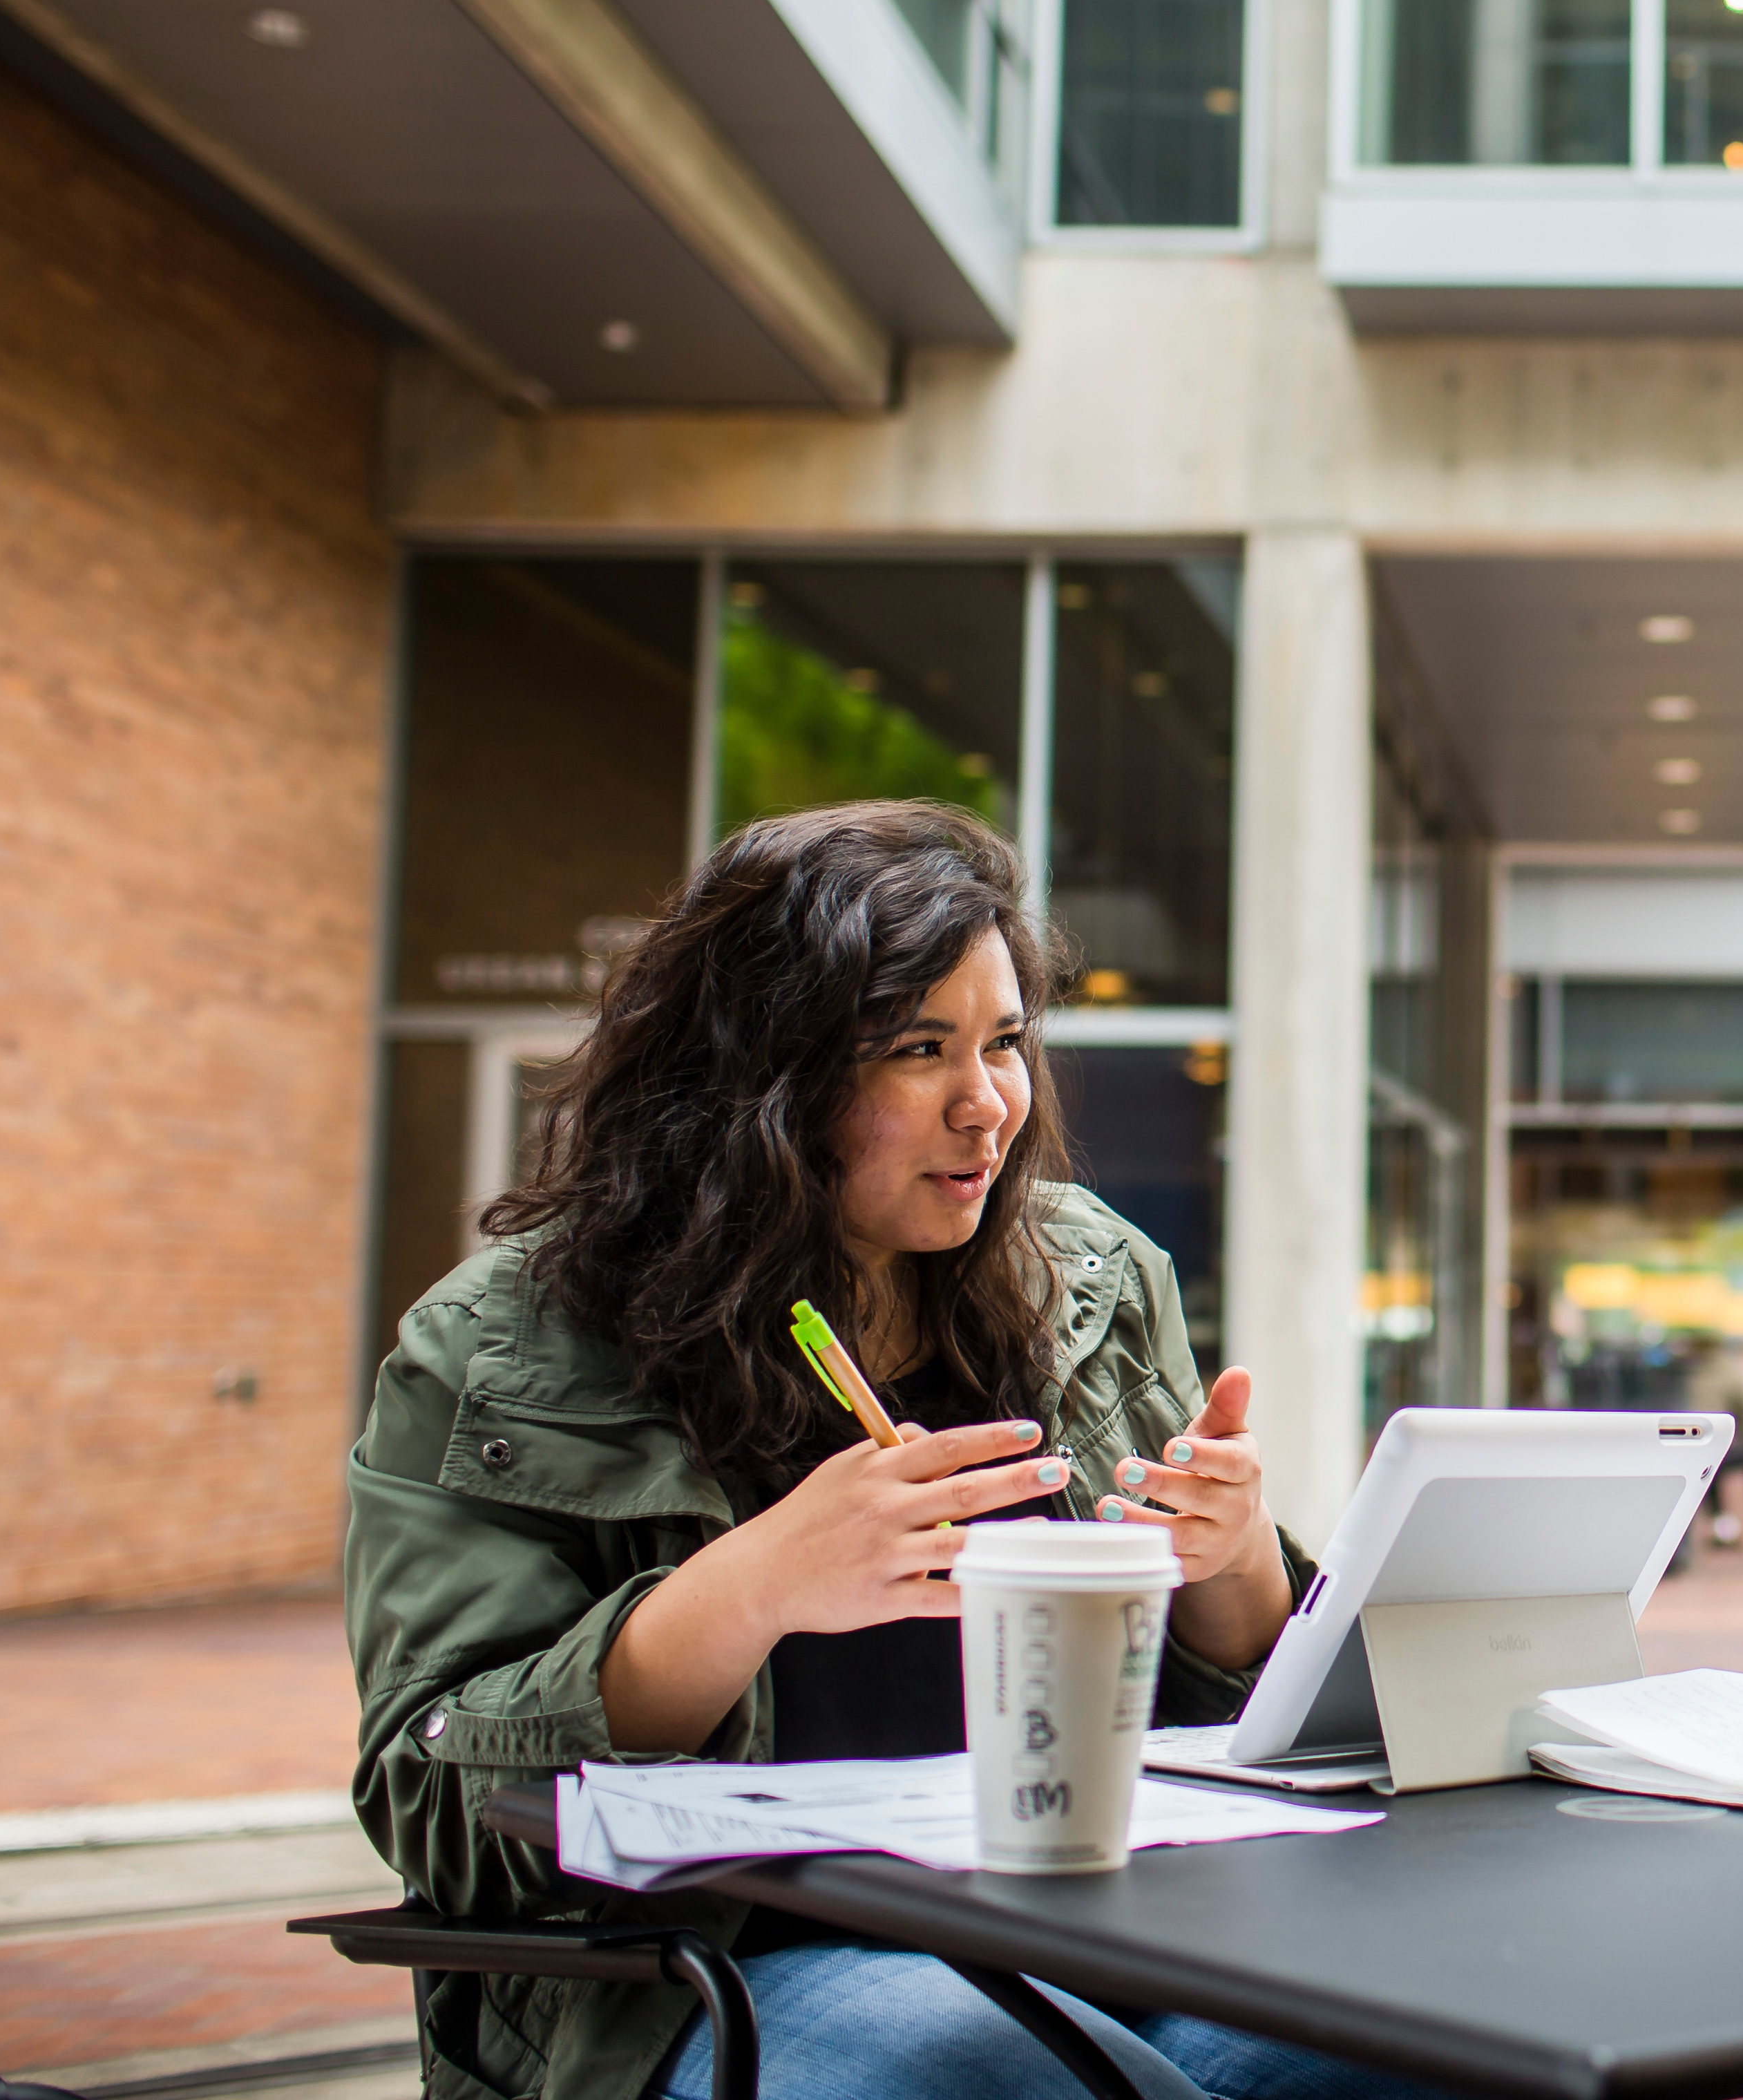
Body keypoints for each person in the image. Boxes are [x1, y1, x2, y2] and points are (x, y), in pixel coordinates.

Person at [346, 802, 1445, 2100]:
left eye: (1005, 1044)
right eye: (920, 1050)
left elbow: (1219, 1728)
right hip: (728, 1964)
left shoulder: (1089, 1276)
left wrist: (1236, 1571)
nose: (987, 1107)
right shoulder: (502, 1346)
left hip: (1100, 1922)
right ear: (763, 1077)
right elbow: (431, 1804)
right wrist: (755, 1587)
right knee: (993, 2070)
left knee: (1441, 2039)